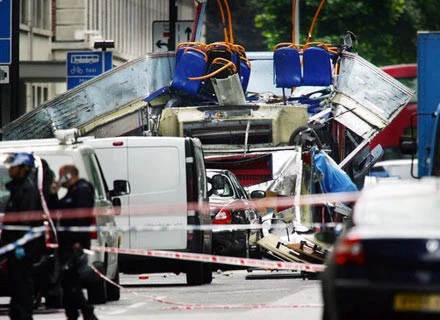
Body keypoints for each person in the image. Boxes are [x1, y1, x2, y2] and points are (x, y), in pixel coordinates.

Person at [1, 152, 45, 320]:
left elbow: (26, 222)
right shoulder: (17, 189)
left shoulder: (26, 191)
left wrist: (20, 245)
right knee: (16, 288)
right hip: (13, 250)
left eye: (13, 167)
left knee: (22, 289)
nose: (10, 170)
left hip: (23, 251)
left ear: (23, 169)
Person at [53, 164, 98, 320]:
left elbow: (82, 217)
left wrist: (78, 240)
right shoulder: (72, 192)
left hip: (75, 245)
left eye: (61, 176)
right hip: (66, 243)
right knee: (68, 283)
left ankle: (87, 313)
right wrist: (53, 193)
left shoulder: (82, 190)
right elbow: (58, 208)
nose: (60, 180)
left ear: (68, 175)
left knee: (71, 283)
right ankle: (74, 313)